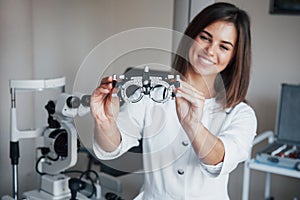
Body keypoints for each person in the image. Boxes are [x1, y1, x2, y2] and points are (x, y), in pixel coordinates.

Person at [90, 2, 257, 200]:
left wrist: (193, 126)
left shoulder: (241, 114)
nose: (210, 51)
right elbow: (111, 148)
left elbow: (219, 160)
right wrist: (105, 122)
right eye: (205, 37)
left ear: (234, 57)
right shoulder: (152, 95)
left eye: (224, 46)